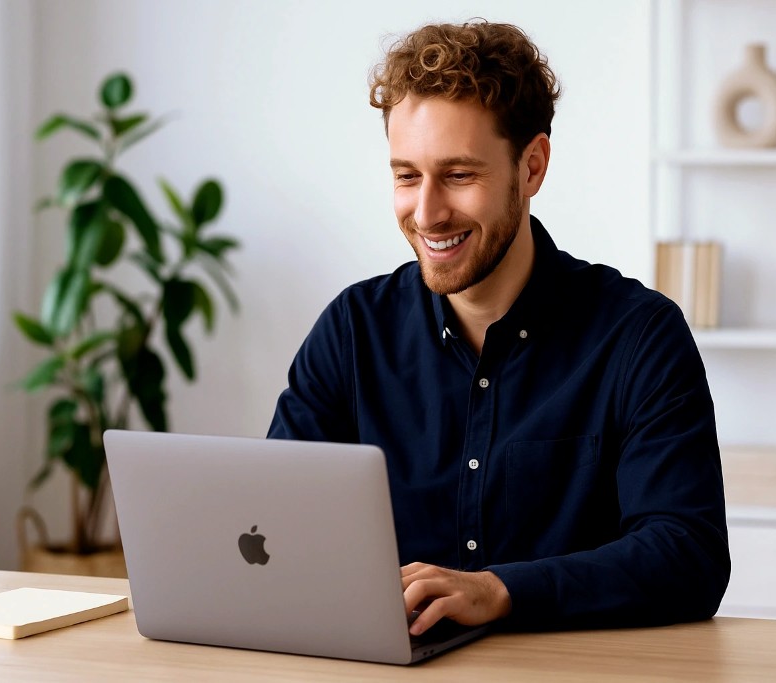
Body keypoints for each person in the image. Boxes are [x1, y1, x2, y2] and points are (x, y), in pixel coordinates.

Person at [268, 20, 729, 636]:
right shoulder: (353, 331)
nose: (426, 213)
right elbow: (272, 522)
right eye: (407, 176)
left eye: (459, 176)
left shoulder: (640, 337)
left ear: (532, 167)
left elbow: (687, 555)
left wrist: (500, 591)